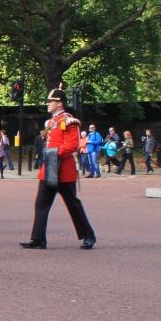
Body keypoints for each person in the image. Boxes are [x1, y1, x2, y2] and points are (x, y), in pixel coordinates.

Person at [21, 87, 96, 250]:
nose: (48, 104)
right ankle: (38, 238)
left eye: (51, 101)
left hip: (63, 170)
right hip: (49, 168)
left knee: (73, 204)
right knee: (41, 204)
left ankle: (88, 236)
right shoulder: (52, 122)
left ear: (59, 103)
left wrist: (52, 153)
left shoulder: (68, 121)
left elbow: (71, 146)